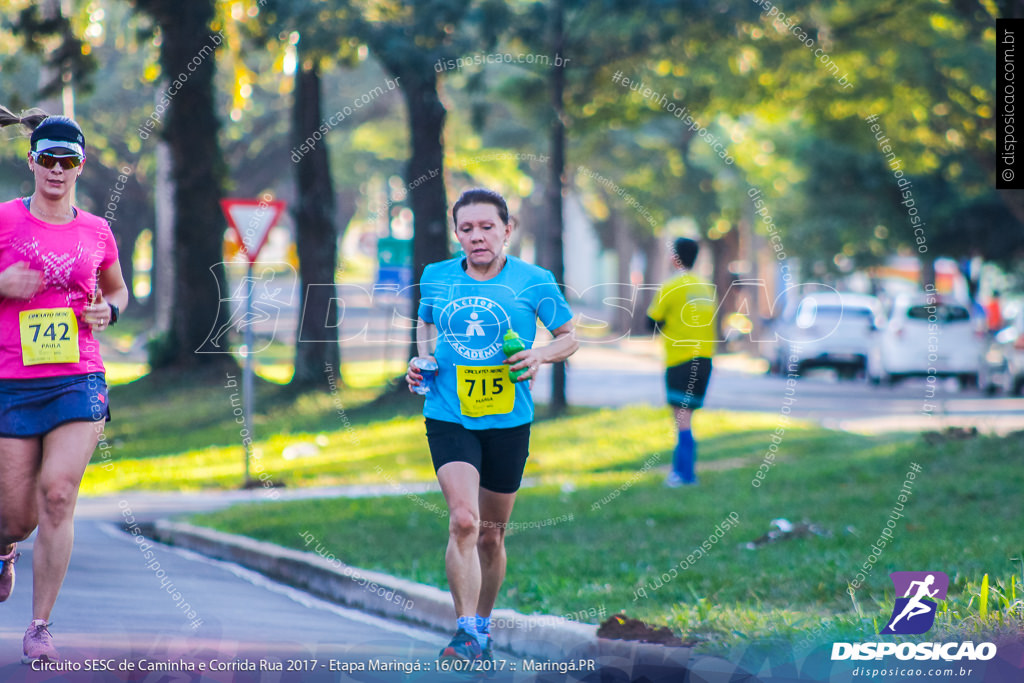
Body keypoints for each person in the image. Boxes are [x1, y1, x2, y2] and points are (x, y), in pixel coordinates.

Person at [406, 188, 577, 661]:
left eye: (486, 227)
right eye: (467, 228)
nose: (476, 236)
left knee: (491, 533)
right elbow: (426, 325)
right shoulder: (436, 277)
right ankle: (465, 633)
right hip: (449, 413)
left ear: (507, 229)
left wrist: (540, 352)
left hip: (508, 420)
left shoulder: (534, 280)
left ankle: (481, 625)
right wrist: (420, 359)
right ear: (457, 233)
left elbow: (569, 337)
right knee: (463, 520)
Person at [0, 108, 128, 663]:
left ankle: (40, 626)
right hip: (11, 380)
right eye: (47, 159)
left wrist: (109, 313)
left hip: (78, 375)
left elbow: (117, 291)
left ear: (80, 166)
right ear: (32, 161)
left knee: (58, 492)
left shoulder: (97, 231)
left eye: (67, 160)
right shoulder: (4, 220)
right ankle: (6, 545)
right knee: (17, 515)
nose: (56, 169)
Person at [646, 237, 716, 487]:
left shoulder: (672, 285)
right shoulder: (706, 286)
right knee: (687, 417)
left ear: (675, 257)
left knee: (681, 418)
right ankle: (684, 472)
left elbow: (651, 321)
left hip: (680, 359)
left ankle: (685, 474)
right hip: (705, 359)